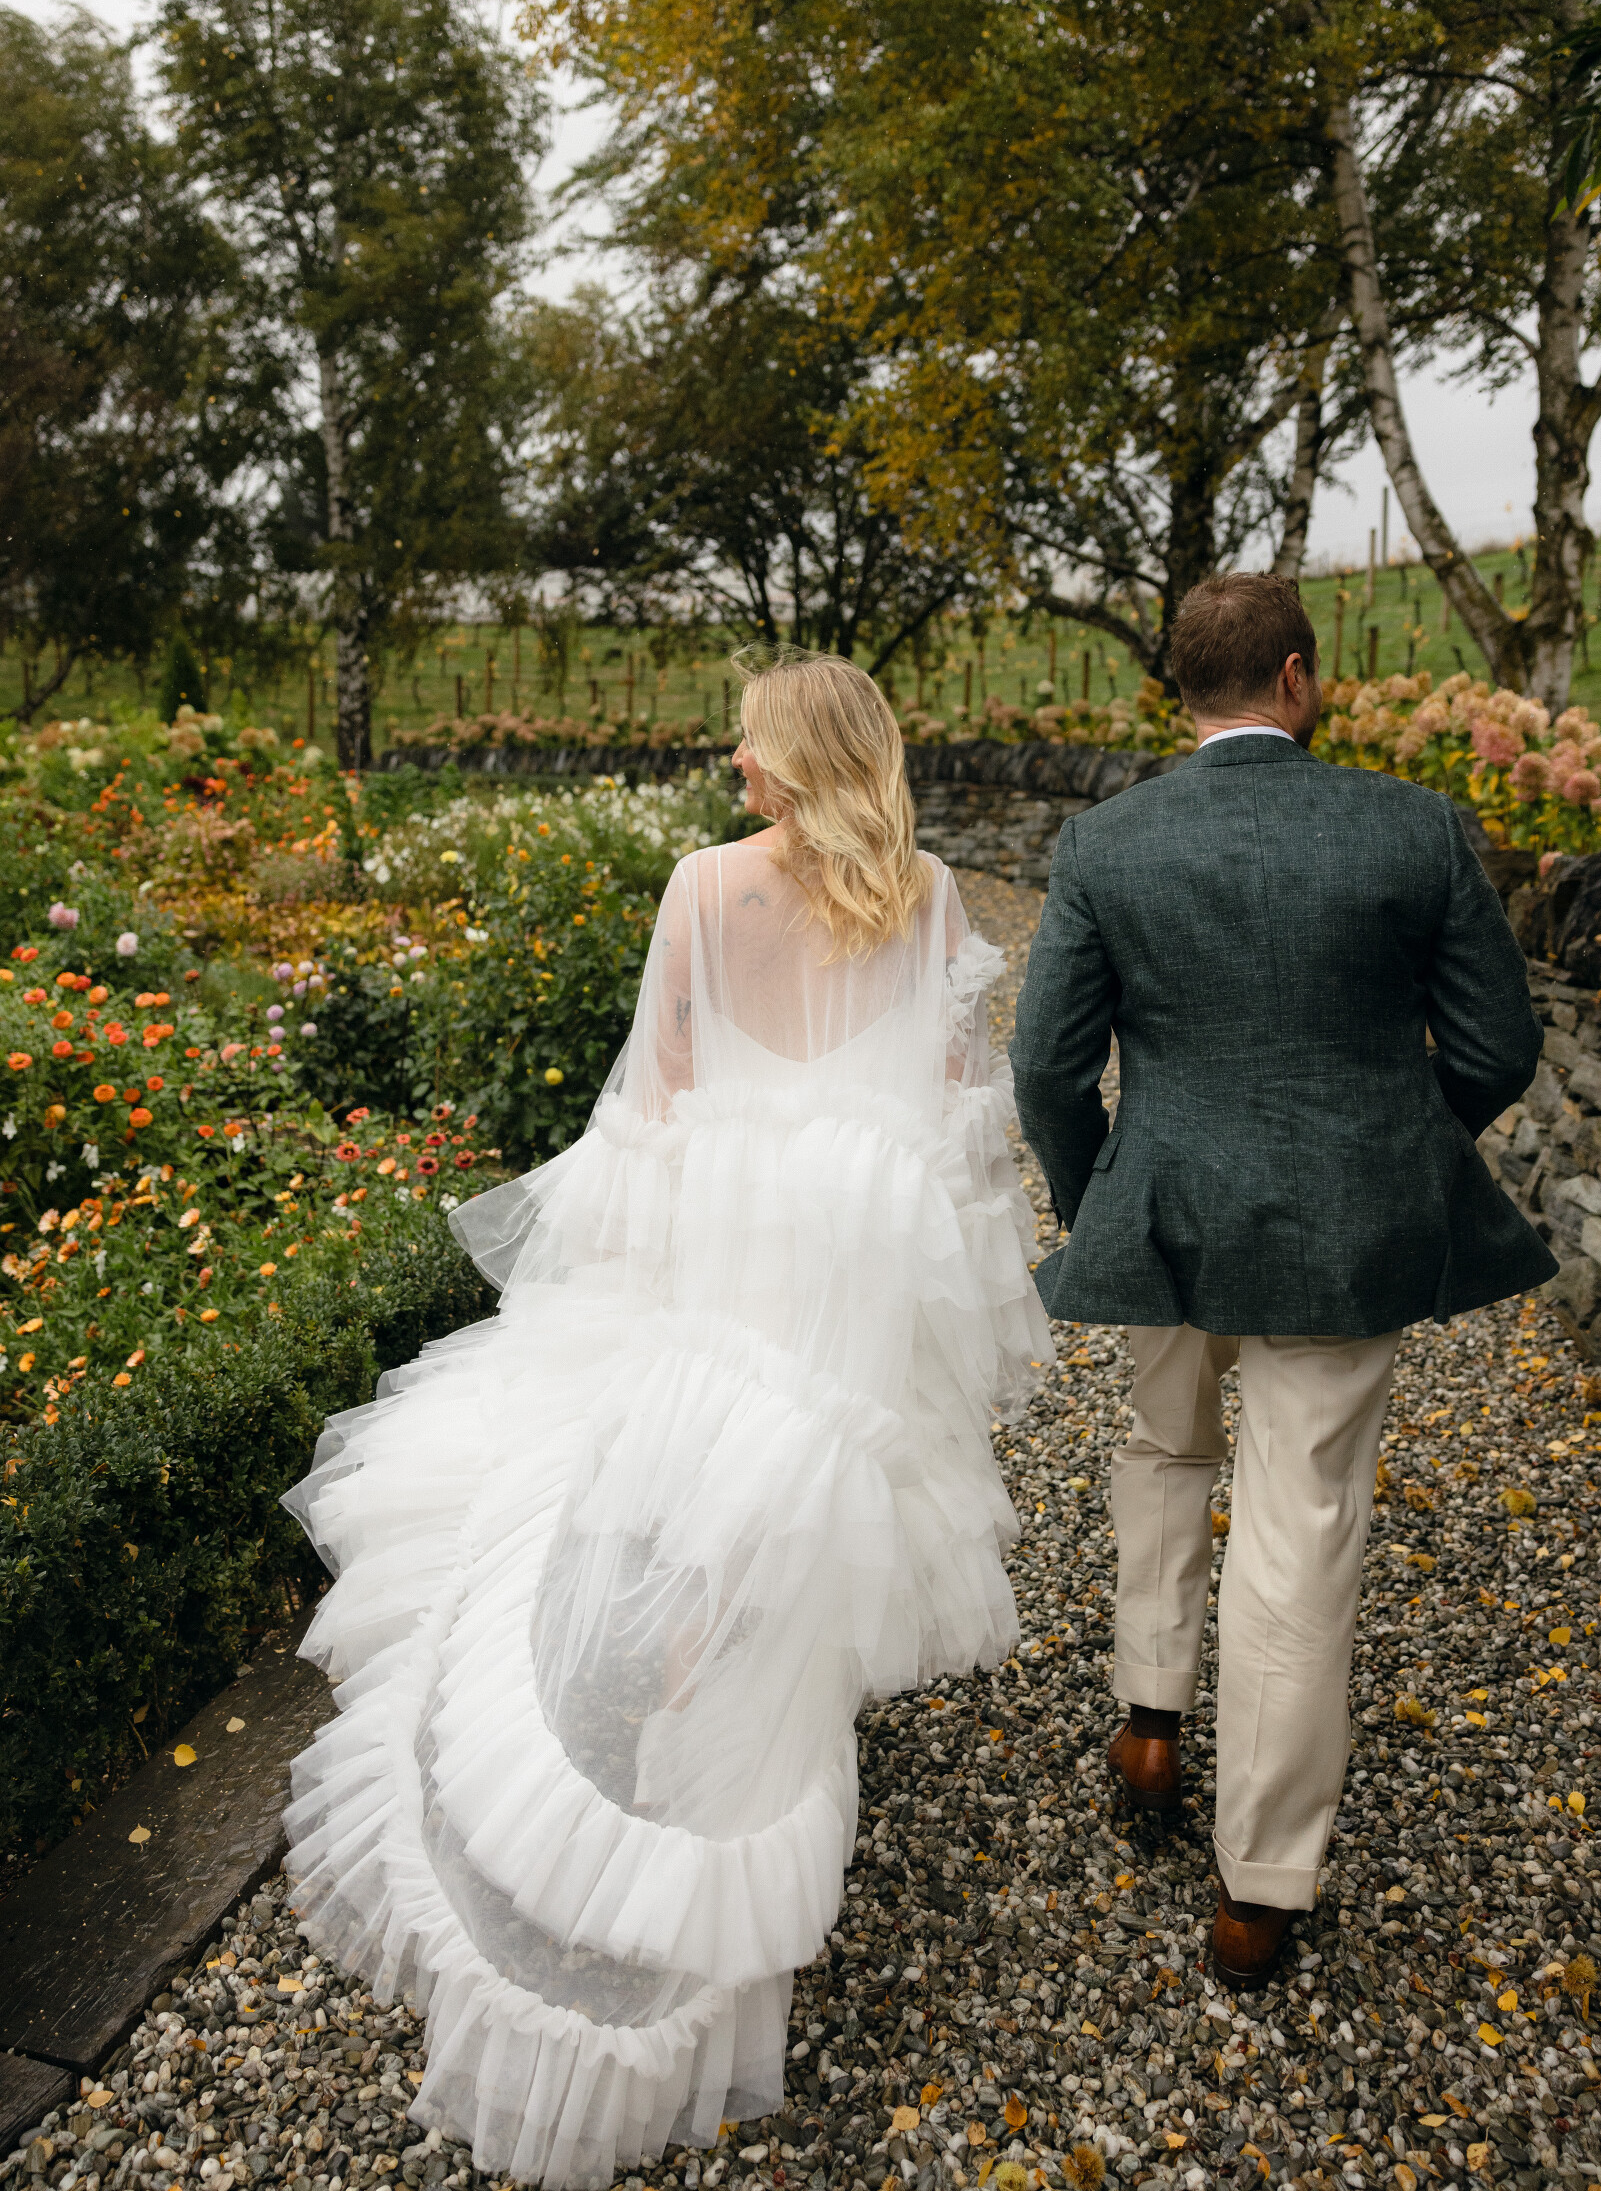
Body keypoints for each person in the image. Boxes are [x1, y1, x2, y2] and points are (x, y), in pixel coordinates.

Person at [281, 648, 1051, 2190]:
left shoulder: (705, 886)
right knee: (786, 1537)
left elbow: (652, 1103)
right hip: (844, 1281)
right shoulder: (929, 897)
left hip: (722, 1254)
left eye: (747, 745)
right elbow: (966, 1121)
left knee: (640, 1502)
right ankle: (715, 1778)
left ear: (792, 756)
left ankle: (616, 1767)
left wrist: (612, 1286)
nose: (731, 766)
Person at [1009, 572, 1553, 1992]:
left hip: (1167, 1212)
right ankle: (1255, 1887)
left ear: (1180, 691)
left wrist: (1100, 1200)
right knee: (1301, 1524)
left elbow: (1047, 1068)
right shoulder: (1412, 826)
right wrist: (1397, 1154)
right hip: (1343, 1227)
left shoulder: (1105, 842)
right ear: (1298, 679)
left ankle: (1147, 1722)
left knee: (1162, 1445)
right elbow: (1497, 1047)